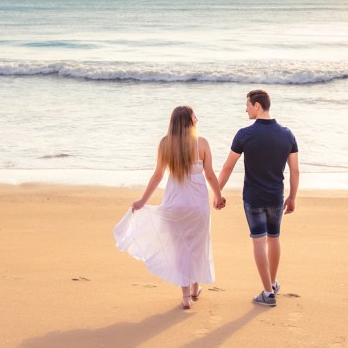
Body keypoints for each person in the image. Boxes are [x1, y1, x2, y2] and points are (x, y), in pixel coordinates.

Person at [114, 106, 227, 310]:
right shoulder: (201, 143)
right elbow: (210, 174)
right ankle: (195, 288)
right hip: (197, 205)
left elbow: (157, 175)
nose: (197, 120)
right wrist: (219, 196)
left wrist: (142, 200)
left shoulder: (165, 143)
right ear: (188, 121)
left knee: (180, 248)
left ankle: (186, 297)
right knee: (197, 244)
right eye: (195, 117)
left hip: (175, 203)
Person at [217, 89, 299, 307]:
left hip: (253, 198)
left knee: (258, 241)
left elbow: (227, 167)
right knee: (274, 238)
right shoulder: (287, 134)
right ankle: (272, 283)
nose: (245, 109)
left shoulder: (244, 134)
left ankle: (267, 292)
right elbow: (295, 171)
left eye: (248, 105)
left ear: (257, 106)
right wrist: (292, 197)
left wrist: (217, 193)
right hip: (275, 196)